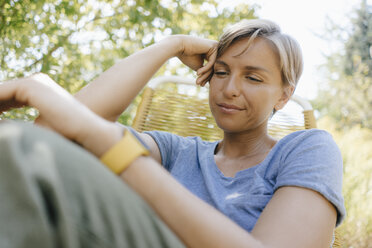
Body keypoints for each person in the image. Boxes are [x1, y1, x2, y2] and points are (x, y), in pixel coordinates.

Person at [0, 19, 345, 248]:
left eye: (253, 78)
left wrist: (116, 151)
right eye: (221, 72)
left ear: (284, 95)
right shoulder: (177, 152)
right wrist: (172, 45)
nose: (229, 89)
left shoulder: (307, 149)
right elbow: (52, 135)